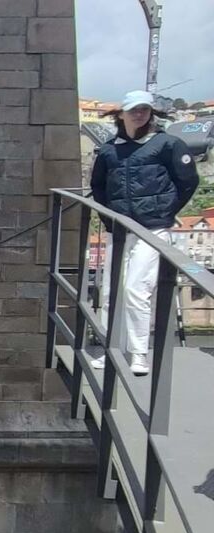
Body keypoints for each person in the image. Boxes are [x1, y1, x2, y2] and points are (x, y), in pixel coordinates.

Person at [90, 90, 199, 376]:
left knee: (137, 289)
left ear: (151, 113)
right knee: (111, 292)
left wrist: (165, 211)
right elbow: (98, 186)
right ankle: (110, 349)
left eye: (144, 109)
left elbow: (188, 181)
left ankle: (138, 353)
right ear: (122, 114)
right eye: (134, 110)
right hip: (119, 228)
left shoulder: (168, 144)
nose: (140, 114)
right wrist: (108, 217)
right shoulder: (109, 150)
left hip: (153, 228)